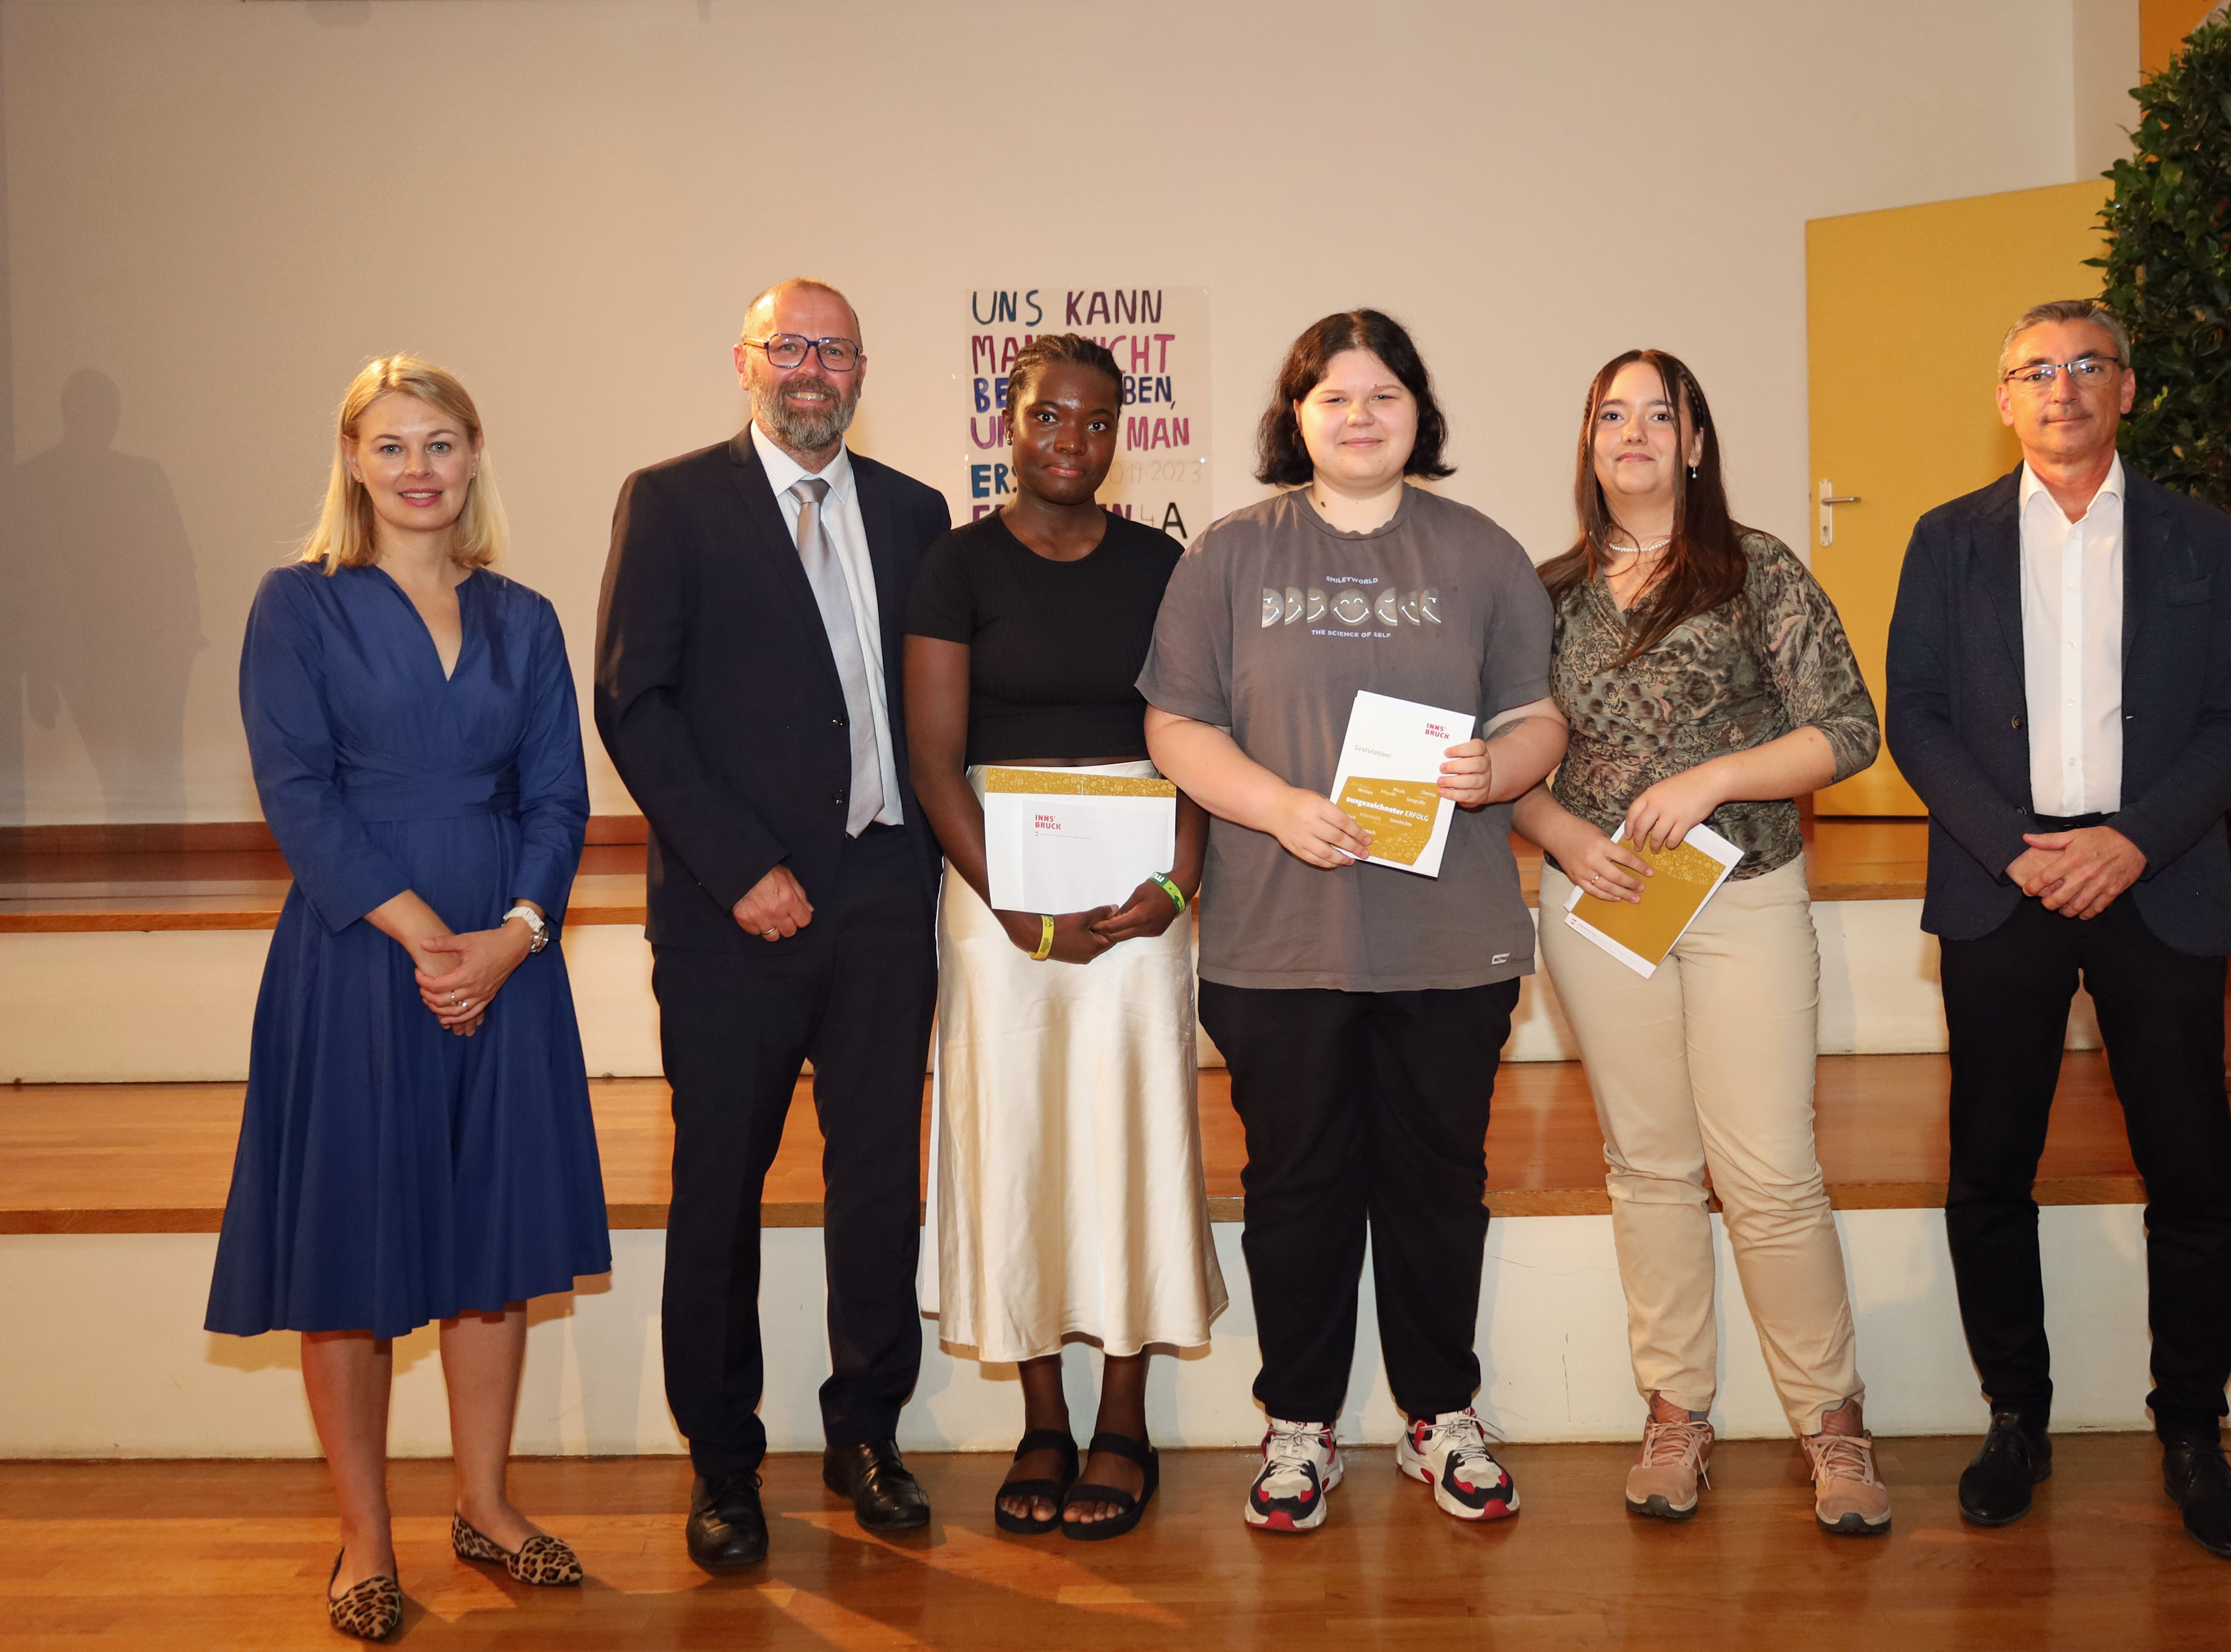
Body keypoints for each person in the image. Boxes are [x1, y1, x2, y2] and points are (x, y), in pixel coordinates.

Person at [1141, 310, 1566, 1531]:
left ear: (1419, 415)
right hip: (1278, 944)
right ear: (1297, 419)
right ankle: (1299, 1427)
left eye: (1385, 395)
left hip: (1451, 939)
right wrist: (1276, 806)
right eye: (1335, 397)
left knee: (1439, 1183)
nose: (1361, 415)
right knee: (1297, 1189)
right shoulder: (1226, 556)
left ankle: (1441, 1416)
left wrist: (1498, 765)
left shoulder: (1483, 554)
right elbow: (1176, 725)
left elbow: (1538, 717)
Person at [205, 355, 608, 1639]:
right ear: (354, 464)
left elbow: (559, 797)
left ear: (475, 458)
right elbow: (297, 792)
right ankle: (365, 1540)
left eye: (441, 443)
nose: (419, 468)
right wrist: (434, 938)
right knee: (349, 1255)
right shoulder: (298, 605)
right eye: (392, 447)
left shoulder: (525, 616)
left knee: (494, 1256)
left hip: (508, 966)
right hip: (357, 959)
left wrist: (515, 936)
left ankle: (486, 1506)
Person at [1885, 298, 2231, 1560]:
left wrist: (2131, 840)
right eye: (2034, 371)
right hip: (2008, 875)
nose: (2061, 388)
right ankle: (2016, 1419)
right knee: (1991, 1167)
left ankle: (2192, 1431)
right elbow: (1920, 718)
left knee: (2191, 1171)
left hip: (2148, 869)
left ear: (2127, 387)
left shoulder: (2196, 539)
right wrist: (2013, 846)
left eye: (2086, 364)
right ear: (2003, 399)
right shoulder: (1946, 541)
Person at [594, 279, 951, 1567]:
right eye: (789, 347)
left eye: (833, 350)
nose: (812, 371)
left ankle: (867, 1432)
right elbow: (636, 703)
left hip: (881, 906)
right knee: (717, 1194)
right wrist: (742, 865)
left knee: (877, 1187)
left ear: (861, 369)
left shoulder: (915, 512)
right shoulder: (674, 500)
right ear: (745, 360)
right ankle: (723, 1464)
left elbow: (936, 706)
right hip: (729, 914)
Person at [1512, 348, 1892, 1535]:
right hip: (1601, 905)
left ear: (1691, 442)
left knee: (1771, 1176)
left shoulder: (1754, 570)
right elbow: (1501, 763)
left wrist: (1716, 776)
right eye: (1609, 413)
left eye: (1656, 413)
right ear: (1590, 443)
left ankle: (1831, 1423)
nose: (1631, 431)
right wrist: (1567, 839)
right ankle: (1675, 1415)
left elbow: (1849, 729)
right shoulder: (1544, 591)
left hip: (1744, 895)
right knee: (1650, 1170)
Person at [905, 333, 1224, 1540]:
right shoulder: (955, 567)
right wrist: (1014, 903)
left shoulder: (1163, 565)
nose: (1071, 443)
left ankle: (1125, 1418)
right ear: (1009, 417)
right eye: (1049, 417)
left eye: (1096, 424)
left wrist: (1180, 884)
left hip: (1140, 890)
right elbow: (936, 764)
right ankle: (1043, 1414)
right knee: (1020, 1138)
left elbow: (1197, 732)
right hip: (1000, 894)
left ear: (1120, 435)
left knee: (1134, 1138)